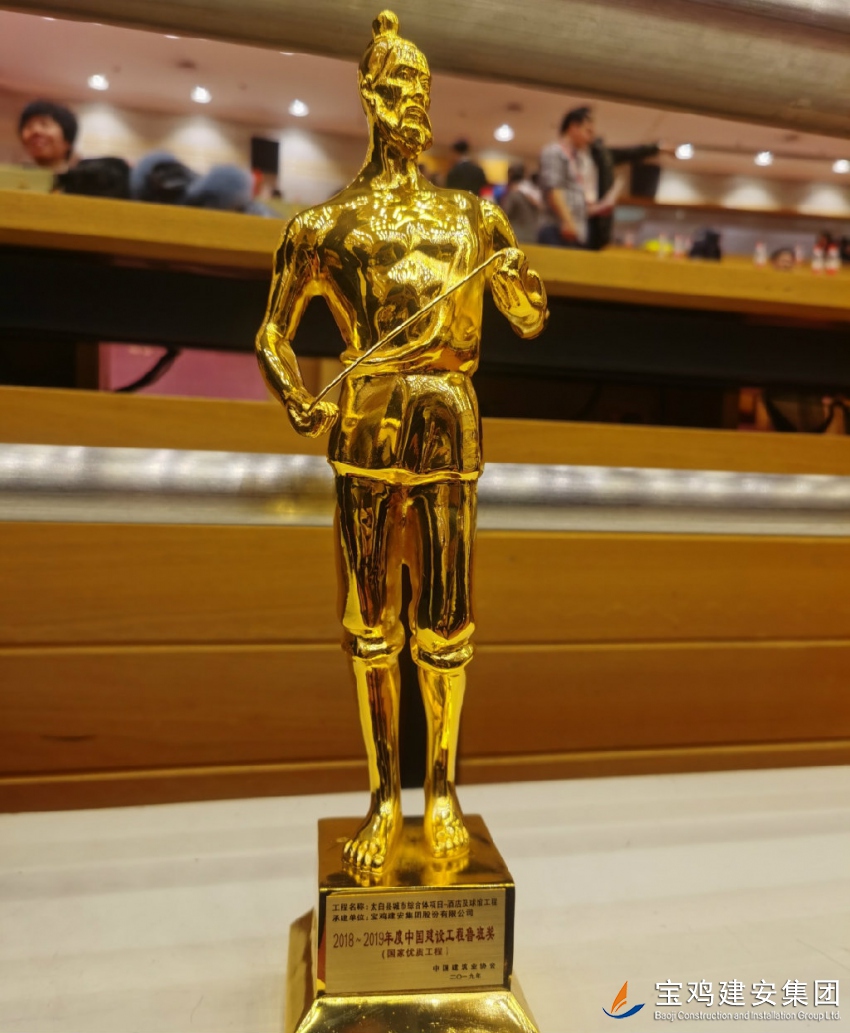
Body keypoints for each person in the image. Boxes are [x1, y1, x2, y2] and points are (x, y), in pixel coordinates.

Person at [256, 10, 547, 872]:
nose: (411, 101)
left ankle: (442, 788)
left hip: (450, 424)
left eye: (420, 86)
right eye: (397, 86)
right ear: (369, 96)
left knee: (447, 623)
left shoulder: (471, 218)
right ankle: (385, 796)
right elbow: (272, 333)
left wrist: (520, 275)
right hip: (364, 428)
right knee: (369, 622)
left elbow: (529, 318)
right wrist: (296, 396)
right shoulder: (325, 225)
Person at [538, 105, 664, 249]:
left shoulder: (580, 160)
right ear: (573, 127)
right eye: (588, 131)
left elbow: (577, 202)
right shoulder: (554, 152)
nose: (591, 137)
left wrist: (598, 208)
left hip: (576, 232)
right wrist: (568, 221)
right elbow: (553, 191)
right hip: (558, 230)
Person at [18, 100, 78, 173]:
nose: (35, 131)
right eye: (29, 126)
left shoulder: (83, 179)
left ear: (67, 140)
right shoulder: (15, 177)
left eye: (44, 124)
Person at [500, 162, 543, 244]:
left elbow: (504, 214)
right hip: (533, 235)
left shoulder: (513, 194)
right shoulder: (534, 192)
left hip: (516, 236)